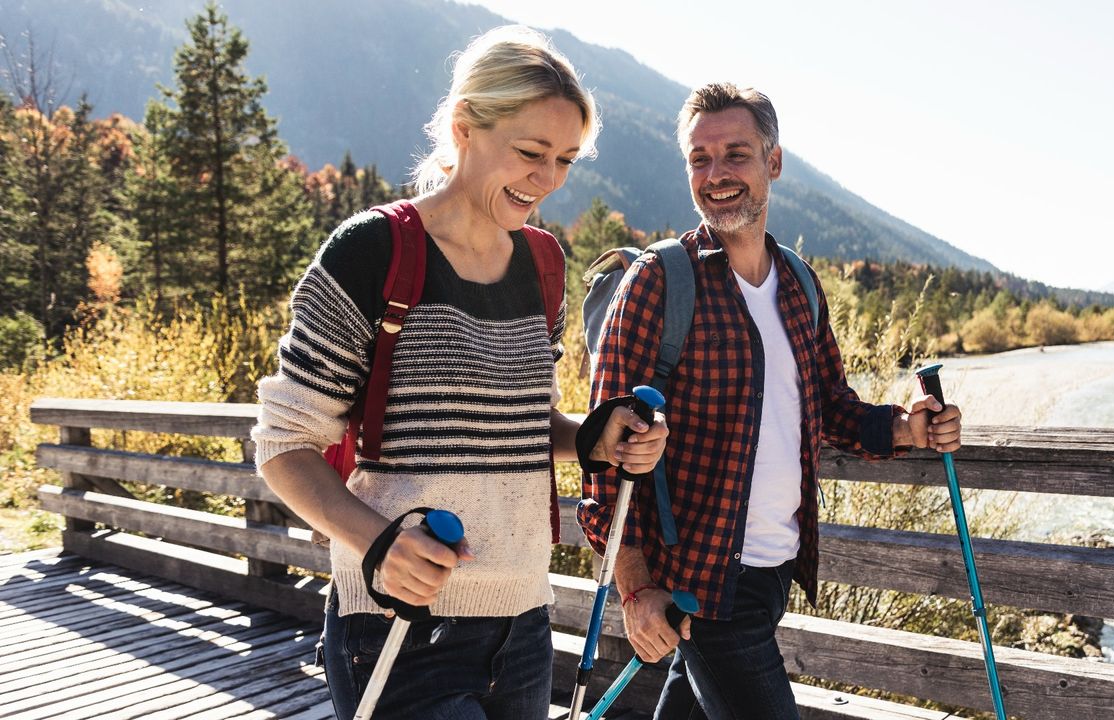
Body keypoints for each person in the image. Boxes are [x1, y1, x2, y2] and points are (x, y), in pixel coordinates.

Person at [252, 26, 667, 720]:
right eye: (532, 153)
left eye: (565, 159)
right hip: (397, 625)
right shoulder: (373, 250)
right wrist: (379, 545)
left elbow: (518, 428)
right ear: (464, 127)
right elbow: (282, 446)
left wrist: (594, 438)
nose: (549, 180)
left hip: (525, 622)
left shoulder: (543, 266)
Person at [577, 82, 963, 719]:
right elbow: (603, 456)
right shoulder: (659, 281)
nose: (717, 174)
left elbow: (830, 405)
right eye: (700, 159)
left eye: (736, 154)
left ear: (773, 163)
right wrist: (635, 585)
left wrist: (907, 427)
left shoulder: (799, 285)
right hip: (701, 585)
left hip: (773, 571)